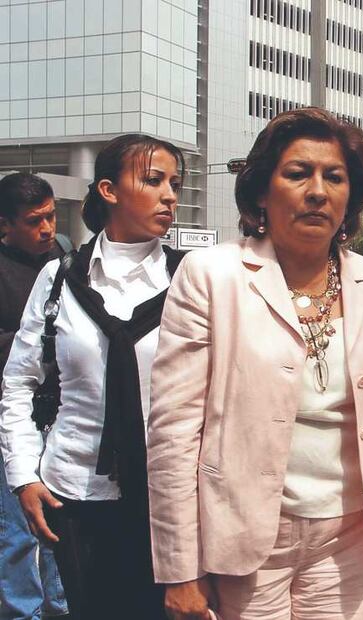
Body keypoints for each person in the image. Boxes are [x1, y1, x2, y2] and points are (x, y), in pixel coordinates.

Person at [146, 107, 363, 620]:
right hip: (245, 535)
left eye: (334, 177)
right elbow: (173, 435)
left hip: (350, 537)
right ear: (261, 192)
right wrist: (180, 568)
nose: (317, 191)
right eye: (298, 173)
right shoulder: (211, 276)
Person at [0, 134, 187, 619]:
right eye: (153, 180)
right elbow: (19, 381)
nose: (169, 195)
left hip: (169, 496)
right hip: (75, 493)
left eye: (175, 183)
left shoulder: (190, 279)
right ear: (108, 190)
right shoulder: (60, 278)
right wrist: (23, 476)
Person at [0, 172, 69, 619]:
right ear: (5, 225)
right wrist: (39, 339)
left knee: (58, 520)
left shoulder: (62, 259)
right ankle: (21, 612)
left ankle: (61, 605)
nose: (46, 228)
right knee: (16, 530)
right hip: (12, 416)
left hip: (59, 413)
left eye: (51, 216)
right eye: (33, 221)